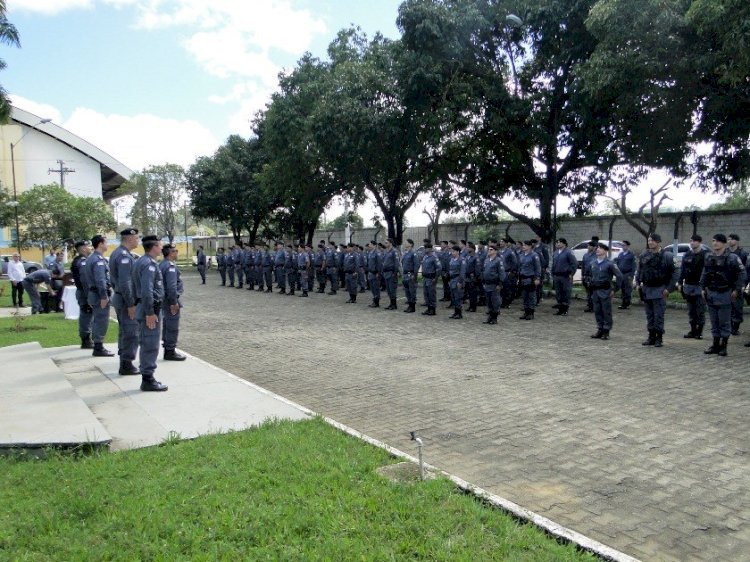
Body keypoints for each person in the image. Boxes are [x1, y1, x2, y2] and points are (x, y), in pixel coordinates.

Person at [701, 234, 746, 357]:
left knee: (724, 322)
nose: (715, 243)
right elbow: (705, 273)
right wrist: (702, 288)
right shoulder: (709, 257)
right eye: (713, 241)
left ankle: (723, 345)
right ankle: (715, 344)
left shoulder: (732, 258)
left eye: (718, 241)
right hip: (711, 292)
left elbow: (742, 274)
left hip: (725, 292)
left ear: (724, 243)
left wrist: (737, 289)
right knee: (714, 321)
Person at [133, 235, 168, 392]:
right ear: (154, 247)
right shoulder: (149, 264)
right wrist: (150, 312)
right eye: (160, 245)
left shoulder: (142, 261)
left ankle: (148, 377)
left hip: (147, 307)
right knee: (150, 344)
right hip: (150, 309)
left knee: (147, 342)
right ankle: (148, 379)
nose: (162, 248)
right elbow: (147, 291)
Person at [635, 233, 677, 348]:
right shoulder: (644, 255)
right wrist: (638, 283)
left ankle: (659, 337)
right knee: (650, 315)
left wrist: (669, 289)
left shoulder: (667, 256)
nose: (650, 242)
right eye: (649, 240)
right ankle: (651, 336)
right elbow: (640, 270)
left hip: (660, 289)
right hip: (647, 289)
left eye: (652, 240)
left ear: (658, 242)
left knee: (658, 315)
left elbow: (674, 273)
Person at [110, 228, 141, 376]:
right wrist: (131, 303)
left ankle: (125, 360)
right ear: (129, 239)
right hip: (124, 300)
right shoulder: (124, 256)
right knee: (131, 332)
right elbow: (125, 282)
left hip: (120, 298)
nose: (138, 240)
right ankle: (126, 364)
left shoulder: (118, 253)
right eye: (136, 238)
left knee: (125, 331)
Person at [86, 234, 115, 357]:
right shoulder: (97, 260)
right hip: (99, 295)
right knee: (101, 320)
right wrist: (104, 296)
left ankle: (98, 344)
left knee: (98, 319)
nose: (107, 245)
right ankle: (98, 347)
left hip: (94, 293)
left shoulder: (93, 258)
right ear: (101, 244)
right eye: (106, 242)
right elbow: (100, 280)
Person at [588, 243, 623, 340]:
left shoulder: (610, 263)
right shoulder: (593, 263)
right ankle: (600, 329)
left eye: (600, 248)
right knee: (597, 311)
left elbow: (619, 276)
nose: (598, 249)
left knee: (606, 311)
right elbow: (590, 275)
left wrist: (614, 289)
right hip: (595, 291)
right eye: (597, 248)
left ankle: (606, 331)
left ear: (605, 251)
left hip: (605, 291)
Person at [159, 243, 186, 361]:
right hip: (170, 300)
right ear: (170, 253)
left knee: (167, 324)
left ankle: (168, 348)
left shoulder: (162, 264)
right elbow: (171, 287)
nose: (177, 253)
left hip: (164, 299)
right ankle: (170, 350)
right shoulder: (169, 266)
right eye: (175, 251)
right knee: (172, 325)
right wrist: (173, 302)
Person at [679, 235, 708, 340]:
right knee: (691, 310)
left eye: (694, 241)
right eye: (691, 241)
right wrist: (679, 282)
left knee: (700, 310)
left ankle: (699, 332)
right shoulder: (687, 254)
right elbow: (682, 269)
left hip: (699, 286)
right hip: (688, 285)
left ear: (699, 242)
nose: (692, 243)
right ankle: (692, 330)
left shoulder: (705, 255)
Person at [70, 240, 93, 349]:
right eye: (88, 246)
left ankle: (87, 338)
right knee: (86, 316)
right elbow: (85, 281)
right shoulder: (82, 262)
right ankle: (86, 340)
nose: (90, 248)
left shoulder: (80, 260)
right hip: (84, 293)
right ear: (83, 248)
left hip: (83, 292)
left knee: (88, 316)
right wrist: (89, 295)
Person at [727, 234, 748, 335]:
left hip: (738, 283)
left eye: (731, 239)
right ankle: (729, 326)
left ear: (737, 241)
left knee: (737, 306)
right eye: (728, 239)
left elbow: (745, 271)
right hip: (727, 284)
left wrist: (743, 284)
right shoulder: (726, 252)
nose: (729, 241)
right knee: (727, 306)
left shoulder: (743, 253)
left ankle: (735, 327)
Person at [551, 238, 577, 316]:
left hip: (565, 275)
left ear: (564, 244)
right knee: (558, 293)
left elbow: (574, 263)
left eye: (560, 242)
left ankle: (565, 309)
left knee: (566, 292)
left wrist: (571, 273)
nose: (558, 244)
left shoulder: (568, 252)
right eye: (557, 242)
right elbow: (553, 264)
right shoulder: (555, 253)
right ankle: (560, 308)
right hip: (557, 275)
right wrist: (552, 273)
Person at [482, 244, 506, 325]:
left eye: (491, 249)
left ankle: (494, 318)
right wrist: (483, 282)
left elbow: (502, 273)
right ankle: (490, 317)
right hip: (487, 284)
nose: (489, 251)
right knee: (489, 301)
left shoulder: (499, 261)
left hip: (494, 284)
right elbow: (484, 271)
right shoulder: (487, 260)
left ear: (495, 251)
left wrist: (500, 283)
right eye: (488, 249)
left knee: (495, 301)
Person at [518, 240, 542, 320]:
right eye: (523, 245)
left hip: (531, 278)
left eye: (525, 245)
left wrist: (537, 278)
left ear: (529, 246)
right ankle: (526, 311)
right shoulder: (521, 255)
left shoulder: (534, 255)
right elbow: (520, 266)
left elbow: (537, 268)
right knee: (524, 296)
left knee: (531, 296)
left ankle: (531, 313)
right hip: (523, 278)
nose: (523, 247)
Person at [420, 243, 442, 316]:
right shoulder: (425, 256)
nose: (424, 249)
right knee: (426, 294)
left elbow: (439, 268)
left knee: (431, 294)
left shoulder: (434, 257)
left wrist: (435, 278)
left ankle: (433, 309)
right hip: (425, 278)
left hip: (431, 278)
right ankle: (429, 308)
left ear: (430, 249)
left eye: (426, 248)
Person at [614, 241, 636, 309]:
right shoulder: (620, 254)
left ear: (628, 246)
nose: (623, 247)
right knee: (622, 289)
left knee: (627, 289)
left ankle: (627, 303)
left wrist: (631, 275)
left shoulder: (631, 254)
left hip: (628, 274)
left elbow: (634, 265)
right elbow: (618, 262)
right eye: (622, 245)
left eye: (624, 245)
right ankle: (623, 303)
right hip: (621, 274)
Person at [448, 245, 467, 319]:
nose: (452, 253)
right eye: (451, 251)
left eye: (453, 251)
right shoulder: (452, 259)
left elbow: (462, 272)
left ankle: (459, 313)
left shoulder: (462, 260)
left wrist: (460, 282)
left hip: (458, 280)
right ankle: (455, 312)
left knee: (458, 297)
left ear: (458, 252)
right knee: (453, 297)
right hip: (452, 280)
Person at [401, 238, 419, 313]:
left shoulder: (413, 253)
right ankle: (409, 305)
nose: (405, 243)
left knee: (412, 291)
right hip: (405, 274)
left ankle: (412, 307)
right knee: (407, 291)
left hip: (410, 274)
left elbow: (416, 265)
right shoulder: (405, 253)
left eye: (406, 242)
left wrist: (414, 275)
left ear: (411, 244)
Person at [581, 238, 599, 312]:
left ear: (594, 247)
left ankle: (595, 306)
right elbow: (583, 265)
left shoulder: (597, 255)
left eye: (590, 246)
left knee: (594, 292)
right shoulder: (585, 255)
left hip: (593, 276)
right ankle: (590, 306)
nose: (588, 247)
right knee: (588, 292)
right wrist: (582, 275)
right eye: (588, 246)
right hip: (586, 276)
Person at [382, 238, 398, 310]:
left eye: (386, 243)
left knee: (392, 289)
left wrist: (395, 273)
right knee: (388, 290)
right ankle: (391, 303)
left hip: (391, 273)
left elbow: (396, 263)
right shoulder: (386, 251)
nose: (385, 244)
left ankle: (394, 305)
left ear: (390, 243)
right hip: (386, 273)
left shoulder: (394, 251)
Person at [366, 241, 382, 308]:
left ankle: (376, 302)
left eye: (370, 244)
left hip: (375, 273)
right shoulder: (370, 253)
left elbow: (379, 264)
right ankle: (374, 300)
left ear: (374, 245)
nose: (369, 245)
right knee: (372, 288)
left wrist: (378, 273)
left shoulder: (377, 253)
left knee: (376, 288)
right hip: (370, 272)